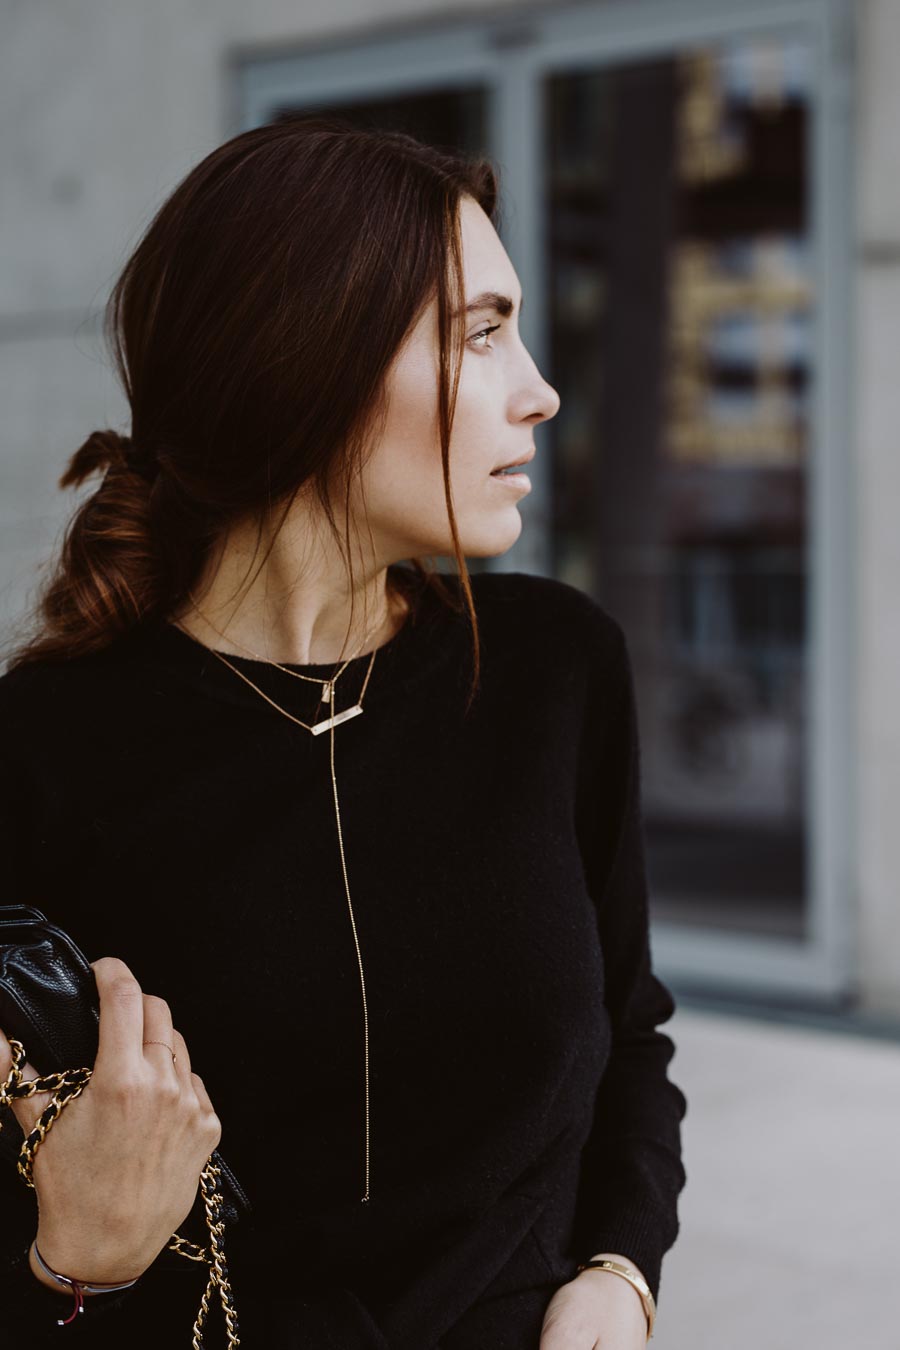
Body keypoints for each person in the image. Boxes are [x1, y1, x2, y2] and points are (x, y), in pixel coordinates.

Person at [0, 115, 687, 1349]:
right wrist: (72, 1262)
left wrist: (621, 1269)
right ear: (305, 359)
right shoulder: (42, 752)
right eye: (482, 332)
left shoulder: (554, 669)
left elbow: (631, 1031)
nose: (540, 390)